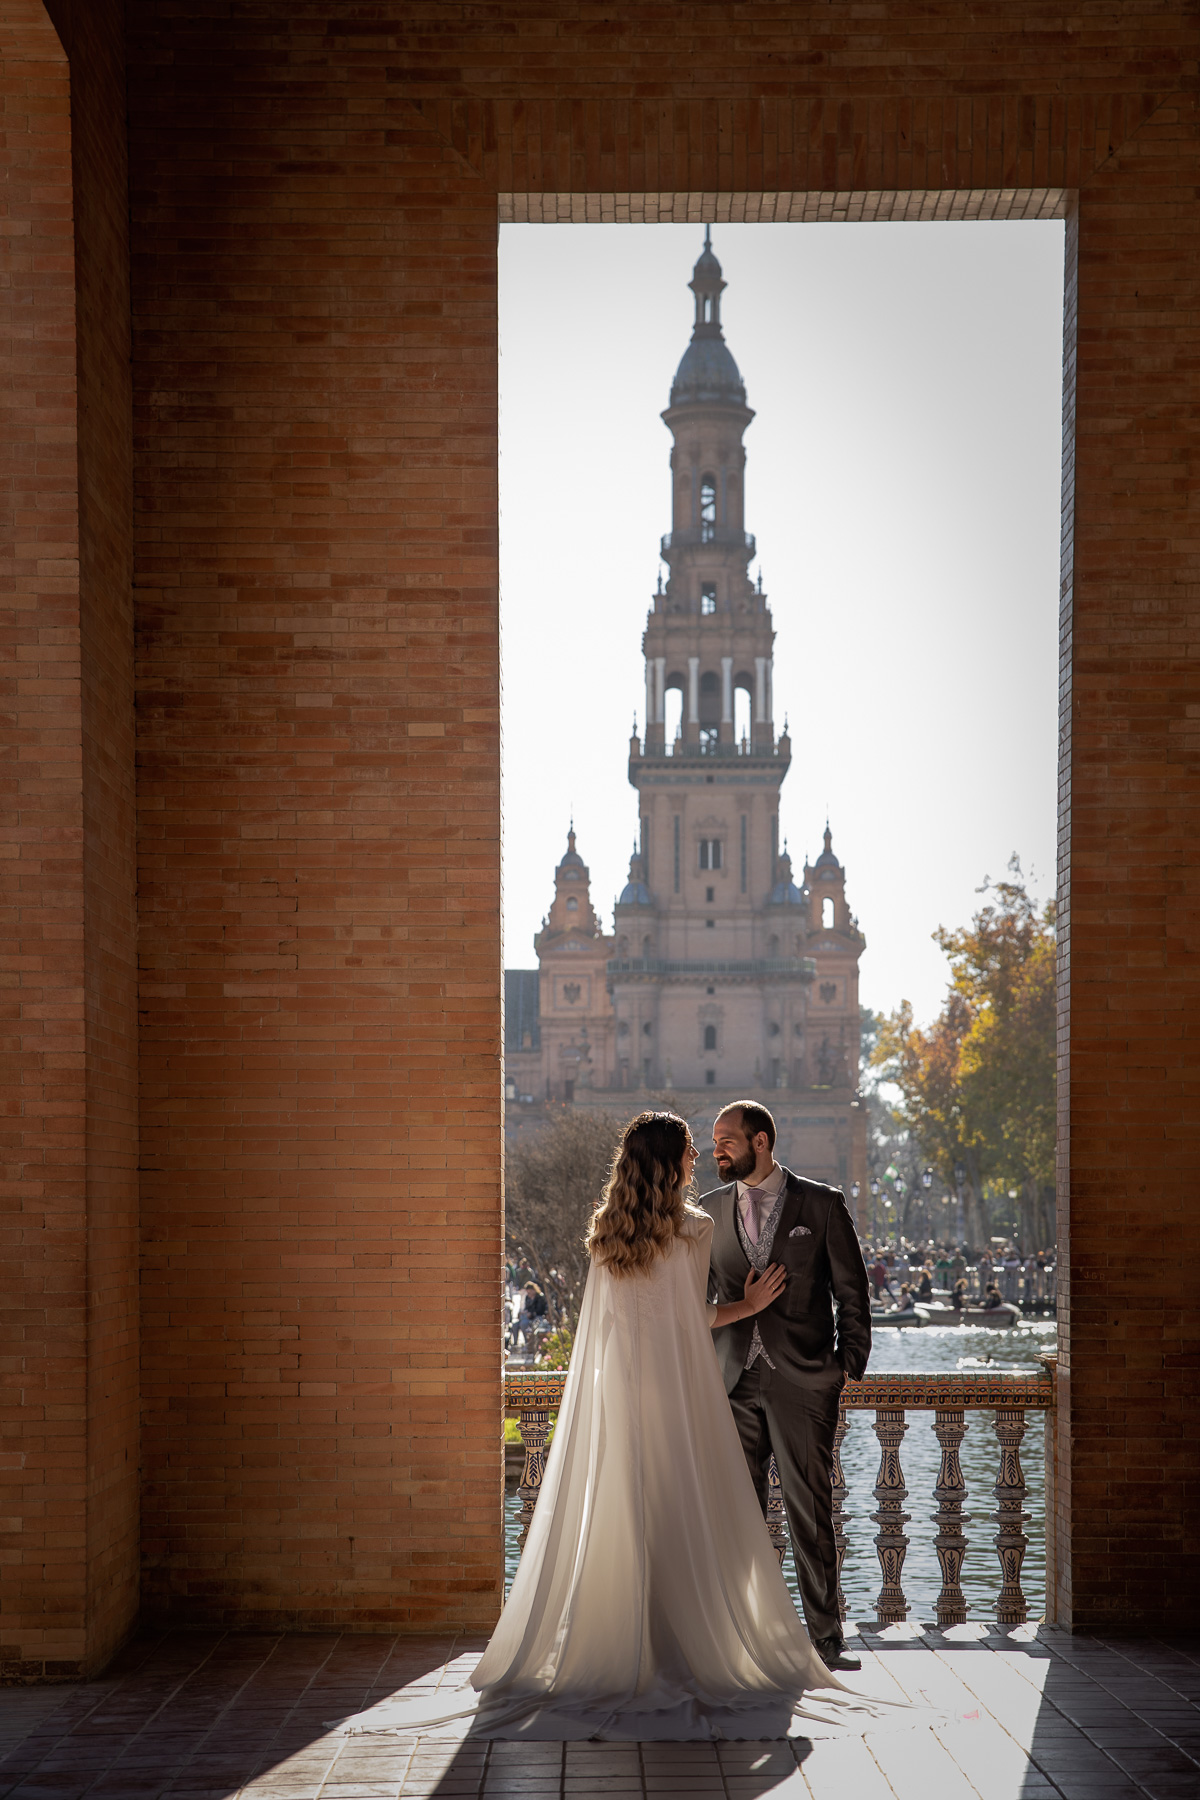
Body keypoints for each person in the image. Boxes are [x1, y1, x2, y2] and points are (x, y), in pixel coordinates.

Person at [334, 1110, 897, 1743]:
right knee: (698, 1519)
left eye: (712, 1146)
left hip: (625, 1396)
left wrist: (842, 1361)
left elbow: (609, 1329)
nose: (699, 1158)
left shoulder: (607, 1232)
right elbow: (693, 1316)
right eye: (691, 1150)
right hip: (685, 1394)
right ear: (670, 1162)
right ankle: (703, 1641)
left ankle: (629, 1646)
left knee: (628, 1518)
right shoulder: (697, 1225)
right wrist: (752, 1305)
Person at [705, 1101, 872, 1675]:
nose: (717, 1149)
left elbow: (852, 1290)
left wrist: (844, 1367)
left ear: (762, 1140)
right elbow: (696, 1301)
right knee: (739, 1516)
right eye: (714, 1141)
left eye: (727, 1139)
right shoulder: (706, 1213)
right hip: (730, 1383)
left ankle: (826, 1640)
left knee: (811, 1512)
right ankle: (746, 1640)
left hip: (804, 1381)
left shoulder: (821, 1205)